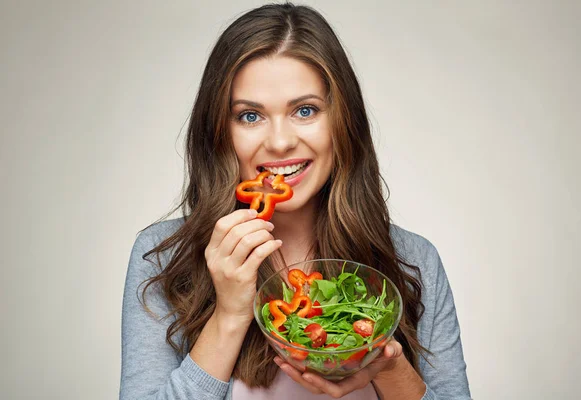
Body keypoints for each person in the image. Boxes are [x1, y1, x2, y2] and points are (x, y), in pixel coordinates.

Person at [120, 3, 470, 399]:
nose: (281, 142)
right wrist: (230, 313)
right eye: (250, 116)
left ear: (342, 121)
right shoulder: (164, 257)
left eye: (305, 110)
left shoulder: (414, 260)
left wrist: (388, 367)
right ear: (219, 132)